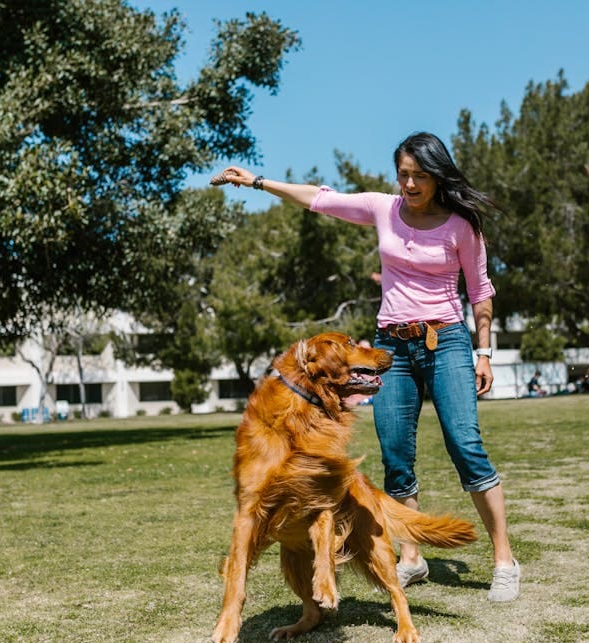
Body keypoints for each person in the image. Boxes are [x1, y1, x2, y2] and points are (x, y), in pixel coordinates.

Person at [217, 132, 519, 602]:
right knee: (396, 455)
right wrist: (258, 182)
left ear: (438, 176)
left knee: (466, 446)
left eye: (420, 176)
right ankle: (412, 557)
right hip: (391, 346)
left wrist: (484, 352)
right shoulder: (384, 208)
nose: (410, 184)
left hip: (447, 342)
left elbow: (480, 293)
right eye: (404, 174)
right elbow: (320, 200)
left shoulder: (463, 225)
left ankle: (504, 558)